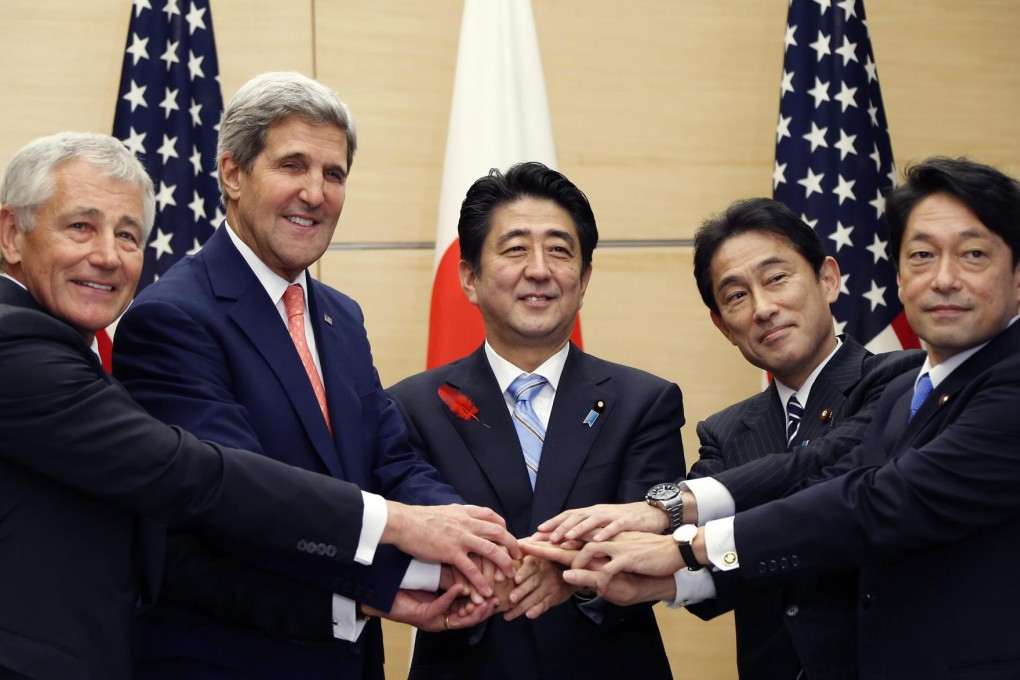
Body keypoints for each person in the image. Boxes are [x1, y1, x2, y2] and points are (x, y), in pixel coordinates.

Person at [0, 131, 517, 680]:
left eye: (128, 236)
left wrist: (449, 556)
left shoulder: (338, 316)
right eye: (81, 226)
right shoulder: (17, 346)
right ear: (12, 233)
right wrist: (399, 529)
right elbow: (193, 475)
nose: (106, 256)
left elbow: (389, 457)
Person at [528, 157, 1020, 679]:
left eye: (972, 255)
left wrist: (679, 530)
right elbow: (827, 474)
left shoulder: (898, 379)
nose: (943, 278)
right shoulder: (906, 395)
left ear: (829, 278)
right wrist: (634, 570)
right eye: (922, 256)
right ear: (898, 277)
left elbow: (869, 500)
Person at [387, 162, 685, 679]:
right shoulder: (412, 406)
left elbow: (655, 545)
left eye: (560, 250)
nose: (540, 269)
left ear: (584, 278)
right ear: (469, 277)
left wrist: (571, 576)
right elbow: (402, 547)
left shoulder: (645, 402)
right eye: (516, 248)